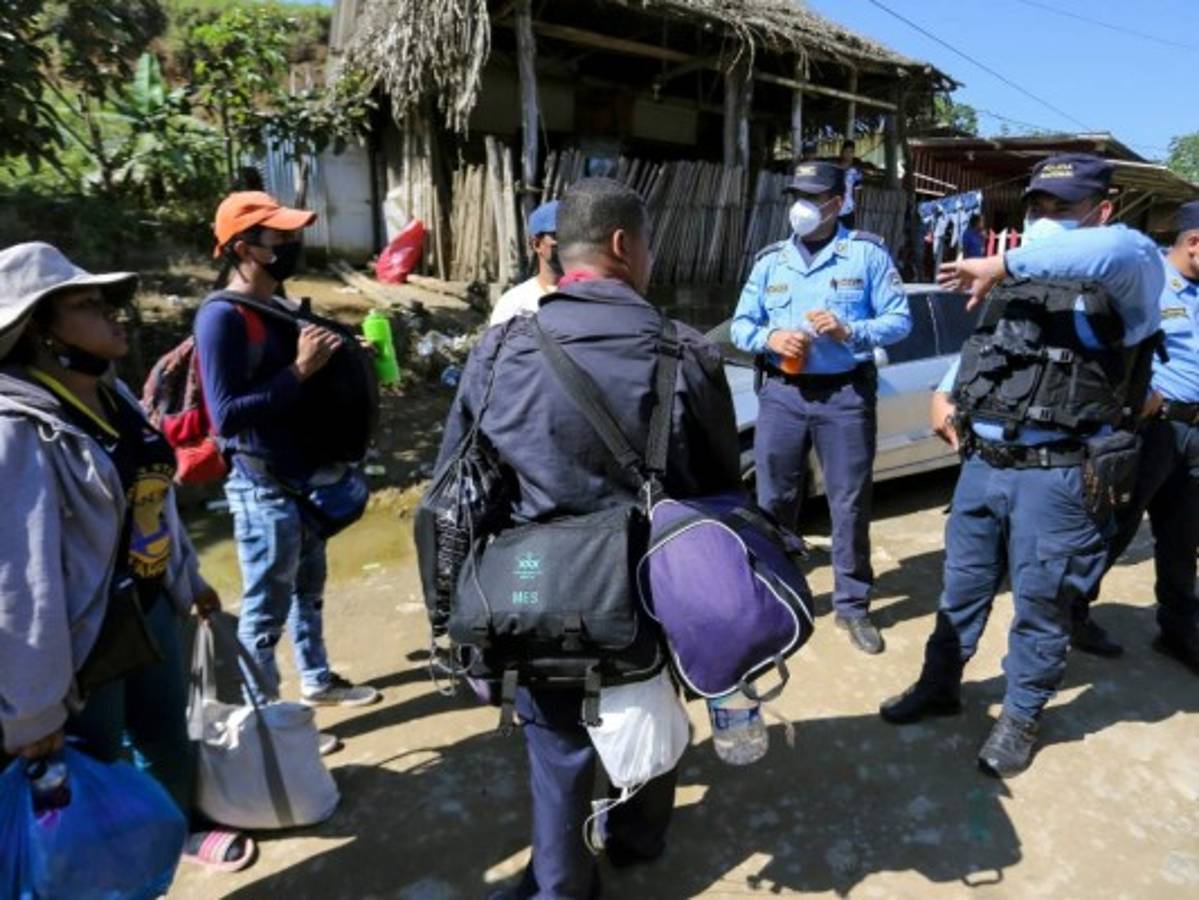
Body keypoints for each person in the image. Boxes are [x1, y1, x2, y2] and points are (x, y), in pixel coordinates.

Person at [438, 177, 740, 899]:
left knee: (557, 746)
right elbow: (717, 489)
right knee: (654, 708)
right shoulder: (684, 350)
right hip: (647, 593)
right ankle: (637, 838)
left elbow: (455, 484)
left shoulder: (500, 347)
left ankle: (563, 883)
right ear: (621, 245)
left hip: (535, 585)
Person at [883, 154, 1163, 778]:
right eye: (1037, 207)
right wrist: (945, 385)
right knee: (962, 586)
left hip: (1057, 473)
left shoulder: (1129, 268)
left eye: (1063, 209)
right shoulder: (1015, 280)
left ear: (1102, 210)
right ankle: (940, 683)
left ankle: (1021, 715)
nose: (1045, 219)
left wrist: (1002, 260)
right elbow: (994, 344)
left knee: (1040, 601)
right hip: (983, 464)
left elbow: (1120, 250)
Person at [0, 242, 255, 871]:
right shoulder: (17, 429)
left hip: (148, 607)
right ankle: (120, 875)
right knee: (96, 772)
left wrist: (186, 577)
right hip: (85, 644)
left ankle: (172, 839)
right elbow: (19, 579)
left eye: (112, 301)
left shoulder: (113, 398)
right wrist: (32, 708)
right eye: (91, 305)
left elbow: (155, 500)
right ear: (36, 331)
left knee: (168, 739)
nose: (117, 317)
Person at [193, 192, 379, 745]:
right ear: (247, 249)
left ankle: (317, 682)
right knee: (264, 611)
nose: (294, 245)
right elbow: (225, 416)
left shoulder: (281, 306)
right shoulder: (222, 319)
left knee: (309, 591)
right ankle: (269, 727)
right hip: (263, 486)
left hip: (304, 482)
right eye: (282, 239)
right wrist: (299, 371)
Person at [731, 161, 912, 655]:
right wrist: (769, 336)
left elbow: (900, 320)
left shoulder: (866, 255)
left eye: (814, 197)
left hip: (845, 396)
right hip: (782, 396)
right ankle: (778, 598)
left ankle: (852, 606)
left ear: (838, 203)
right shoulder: (770, 261)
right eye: (798, 195)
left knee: (848, 502)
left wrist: (850, 330)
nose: (802, 206)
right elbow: (740, 324)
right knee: (774, 502)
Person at [1069, 200, 1199, 670]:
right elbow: (1102, 349)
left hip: (1196, 432)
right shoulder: (1145, 284)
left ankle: (1180, 629)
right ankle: (1072, 614)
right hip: (1151, 430)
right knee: (1112, 529)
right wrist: (1135, 394)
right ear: (1194, 243)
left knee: (1183, 538)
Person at [490, 201, 561, 326]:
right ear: (537, 244)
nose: (567, 242)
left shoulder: (590, 296)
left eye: (572, 235)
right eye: (557, 236)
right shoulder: (514, 303)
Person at [838, 140, 862, 230]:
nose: (848, 154)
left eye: (851, 152)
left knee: (847, 236)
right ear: (842, 152)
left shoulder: (856, 172)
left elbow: (857, 190)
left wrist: (855, 207)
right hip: (835, 209)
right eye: (846, 151)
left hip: (848, 209)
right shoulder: (835, 169)